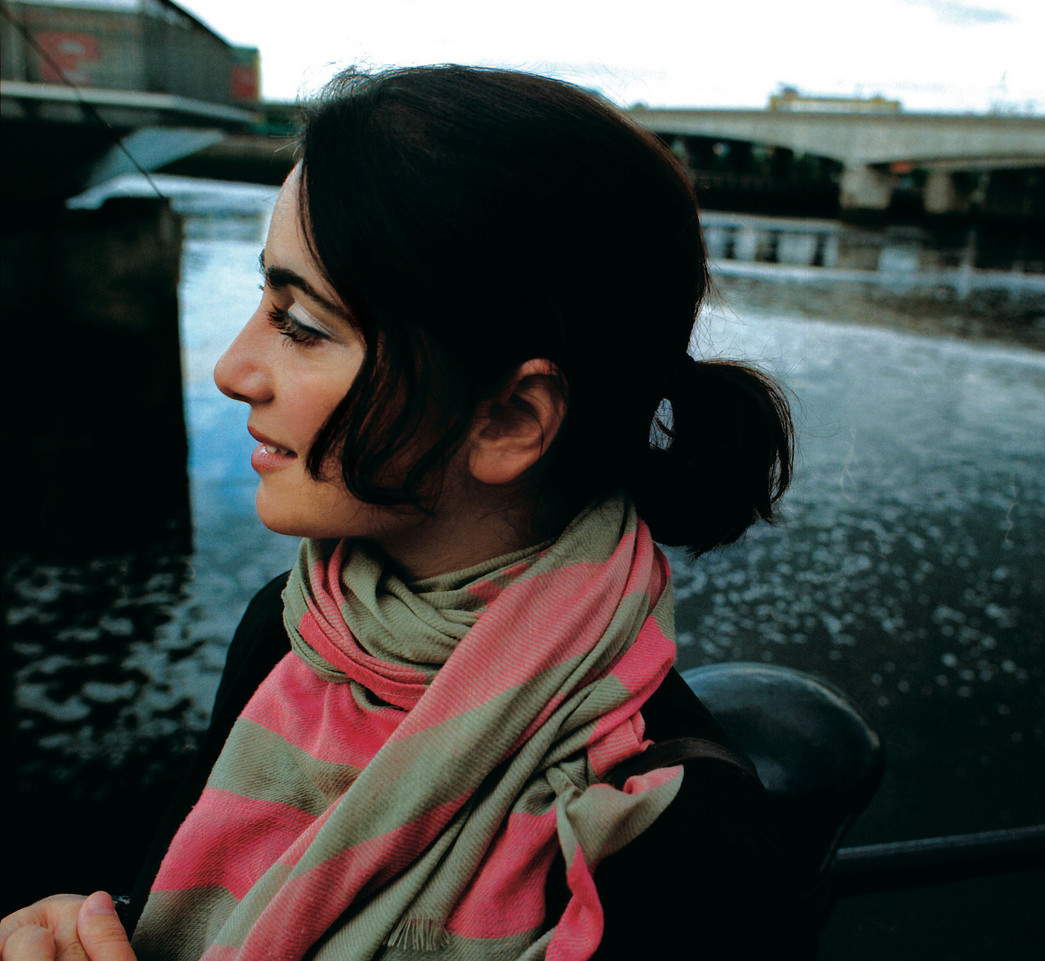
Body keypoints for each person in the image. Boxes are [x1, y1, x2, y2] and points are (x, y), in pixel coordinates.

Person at [0, 65, 803, 960]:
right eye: (266, 300)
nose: (232, 369)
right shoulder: (290, 628)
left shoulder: (682, 844)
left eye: (301, 324)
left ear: (509, 420)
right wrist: (104, 927)